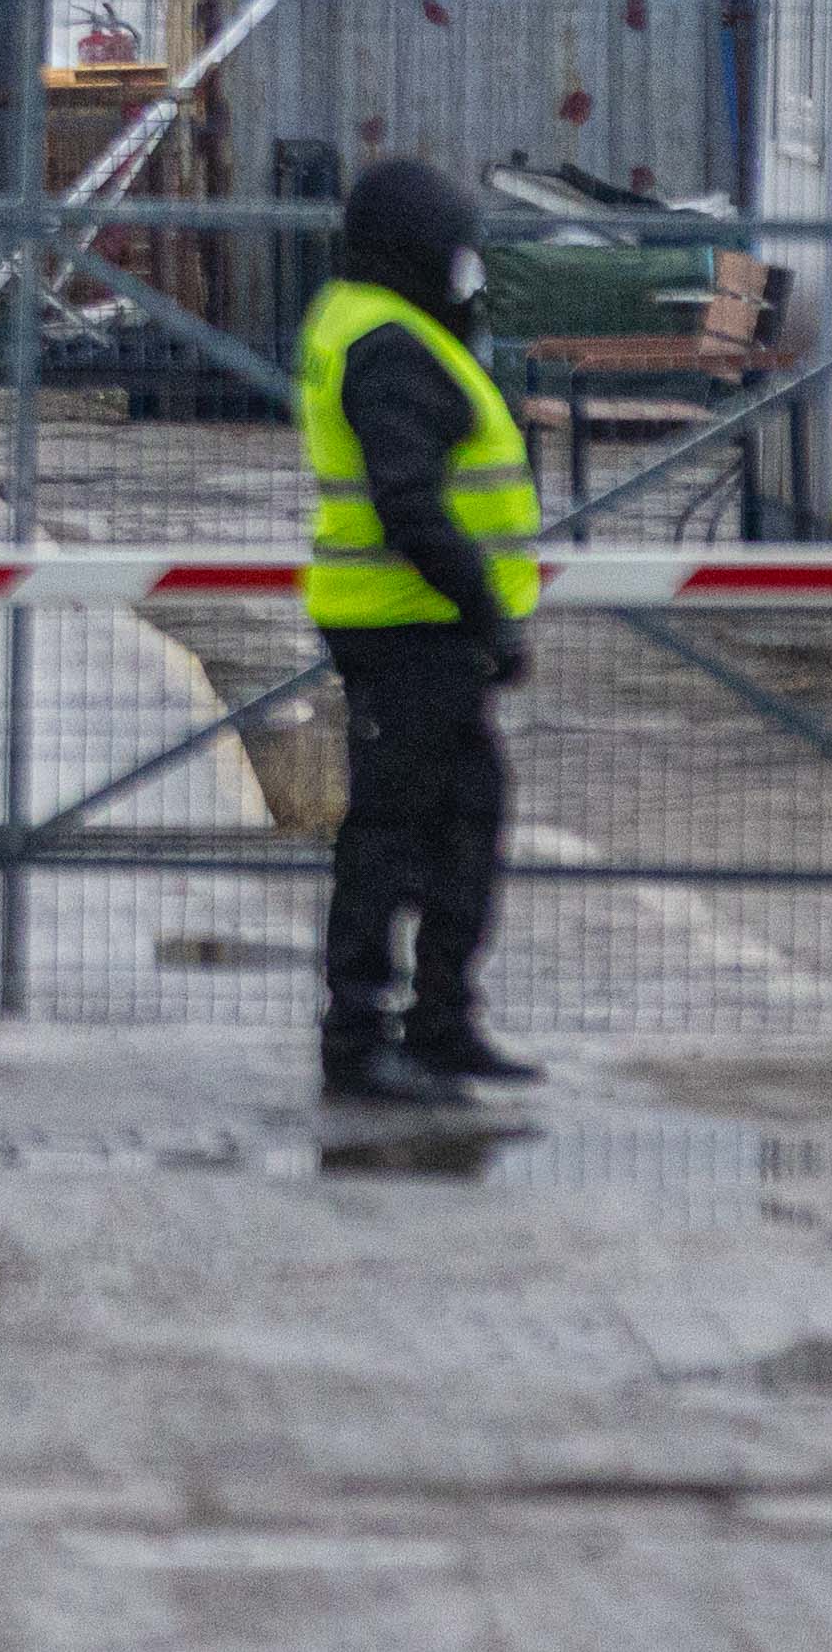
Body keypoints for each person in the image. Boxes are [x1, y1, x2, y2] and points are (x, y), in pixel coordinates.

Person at [297, 155, 544, 1105]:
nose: (466, 268)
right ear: (411, 252)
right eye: (454, 251)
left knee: (461, 825)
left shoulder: (376, 321)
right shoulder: (388, 342)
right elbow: (409, 499)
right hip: (410, 629)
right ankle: (358, 1041)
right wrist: (485, 612)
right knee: (393, 836)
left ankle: (440, 1023)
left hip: (425, 630)